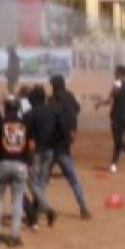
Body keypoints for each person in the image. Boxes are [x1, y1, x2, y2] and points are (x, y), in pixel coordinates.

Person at [0, 98, 31, 247]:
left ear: (5, 109)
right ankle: (14, 236)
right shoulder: (25, 124)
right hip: (20, 164)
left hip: (2, 163)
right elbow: (31, 146)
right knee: (17, 201)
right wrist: (29, 163)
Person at [48, 74, 90, 218]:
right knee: (73, 179)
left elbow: (50, 120)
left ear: (54, 86)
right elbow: (77, 109)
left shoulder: (52, 100)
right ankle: (84, 208)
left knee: (41, 180)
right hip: (65, 143)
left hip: (52, 145)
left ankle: (35, 208)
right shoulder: (70, 96)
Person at [24, 86, 59, 229]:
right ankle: (35, 210)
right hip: (50, 151)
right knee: (42, 183)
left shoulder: (29, 114)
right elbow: (60, 130)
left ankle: (47, 209)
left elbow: (25, 134)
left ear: (33, 99)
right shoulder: (54, 112)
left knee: (31, 181)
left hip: (35, 151)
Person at [95, 64, 125, 174]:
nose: (114, 73)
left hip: (117, 117)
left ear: (120, 73)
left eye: (116, 71)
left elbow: (110, 100)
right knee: (118, 141)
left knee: (118, 141)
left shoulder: (117, 84)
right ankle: (113, 164)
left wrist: (99, 103)